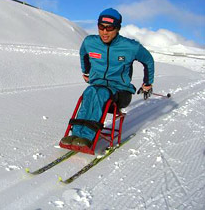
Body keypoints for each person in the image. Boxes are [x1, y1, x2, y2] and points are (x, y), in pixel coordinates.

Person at [60, 8, 154, 148]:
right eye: (101, 27)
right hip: (98, 85)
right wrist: (86, 72)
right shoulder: (90, 42)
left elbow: (148, 60)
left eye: (109, 28)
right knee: (89, 92)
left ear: (117, 28)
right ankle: (76, 133)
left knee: (101, 93)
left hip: (121, 91)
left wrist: (147, 83)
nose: (105, 32)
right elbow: (83, 54)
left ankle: (87, 137)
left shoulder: (130, 46)